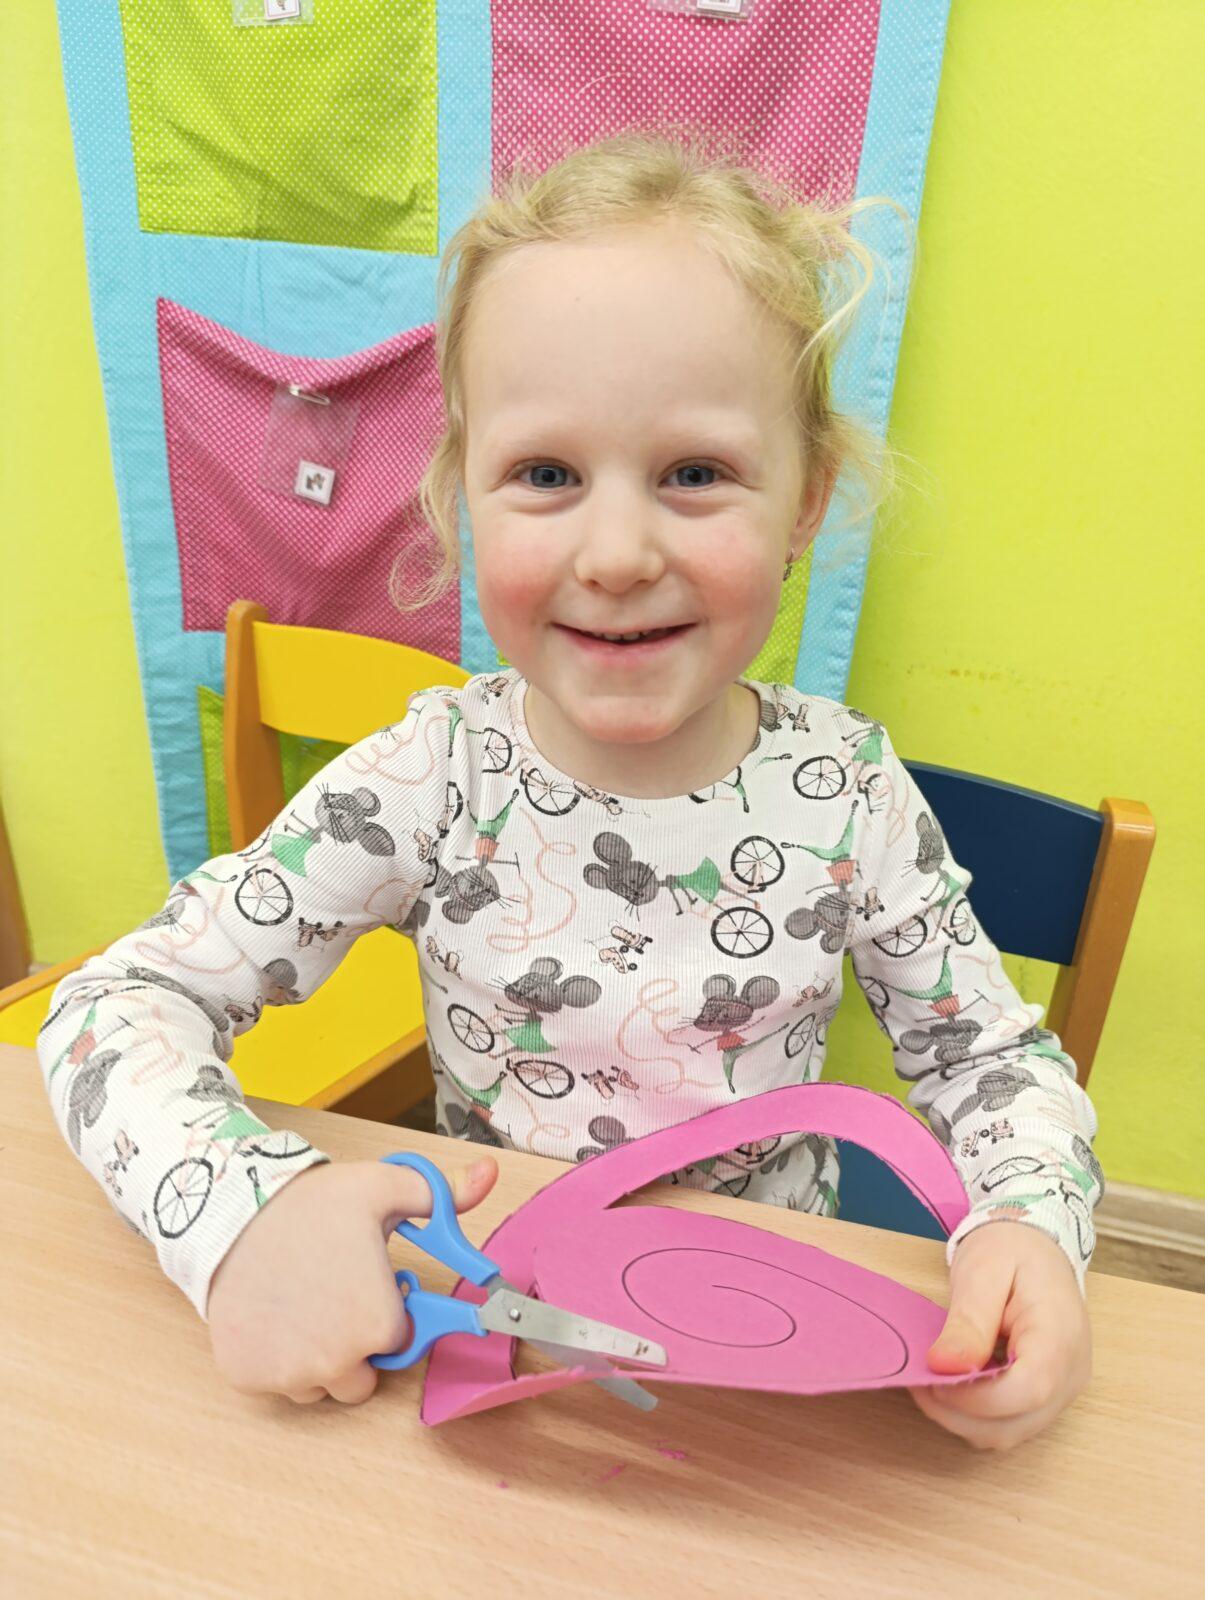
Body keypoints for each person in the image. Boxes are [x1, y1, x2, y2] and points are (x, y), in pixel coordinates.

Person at [37, 129, 1101, 1448]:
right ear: (462, 501)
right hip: (506, 1343)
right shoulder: (430, 778)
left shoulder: (850, 795)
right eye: (545, 475)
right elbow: (110, 1005)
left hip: (775, 1370)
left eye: (695, 474)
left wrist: (1031, 1225)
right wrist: (242, 1220)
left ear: (805, 500)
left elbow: (992, 1063)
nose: (614, 554)